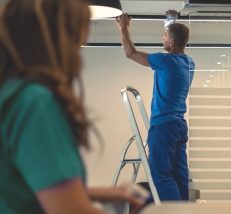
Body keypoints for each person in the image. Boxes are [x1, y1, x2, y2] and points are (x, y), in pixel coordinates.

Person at [0, 0, 144, 213]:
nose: (77, 54)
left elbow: (21, 188)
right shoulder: (35, 103)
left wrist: (97, 193)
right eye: (76, 39)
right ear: (54, 40)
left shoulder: (10, 92)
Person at [116, 10, 195, 201]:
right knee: (180, 176)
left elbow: (130, 53)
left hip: (164, 126)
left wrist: (124, 28)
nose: (163, 38)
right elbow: (174, 39)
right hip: (179, 126)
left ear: (172, 42)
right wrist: (170, 23)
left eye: (165, 36)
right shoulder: (189, 63)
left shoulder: (165, 61)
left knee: (160, 176)